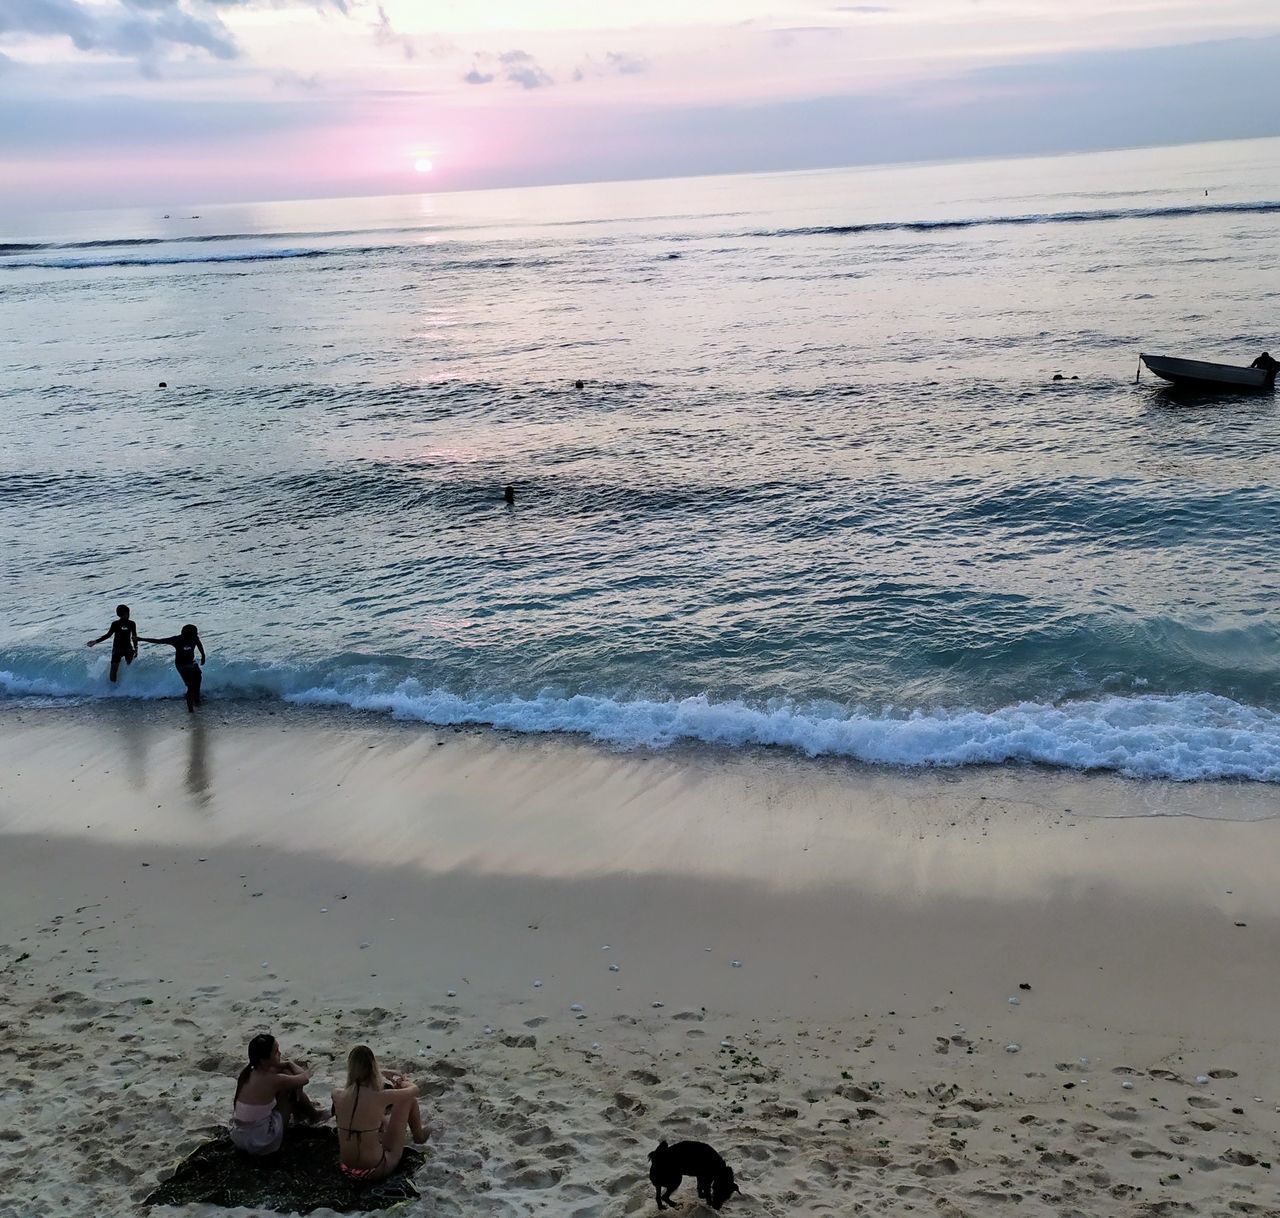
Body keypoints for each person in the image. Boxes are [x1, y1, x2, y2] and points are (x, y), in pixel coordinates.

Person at [332, 1045, 433, 1182]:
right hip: (376, 1169)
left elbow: (357, 1089)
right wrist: (400, 1082)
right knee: (408, 1100)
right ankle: (419, 1137)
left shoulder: (337, 1094)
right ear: (373, 1067)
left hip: (347, 1168)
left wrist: (383, 1073)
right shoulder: (380, 1096)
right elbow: (414, 1090)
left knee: (375, 1122)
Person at [229, 1033, 321, 1156]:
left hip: (240, 1137)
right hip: (260, 1142)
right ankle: (313, 1115)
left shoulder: (248, 1073)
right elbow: (304, 1078)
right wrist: (289, 1063)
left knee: (288, 1078)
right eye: (276, 1052)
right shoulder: (273, 1080)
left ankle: (303, 1114)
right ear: (264, 1059)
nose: (280, 1054)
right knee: (289, 1085)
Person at [139, 623, 206, 712]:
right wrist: (141, 639)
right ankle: (191, 710)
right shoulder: (177, 640)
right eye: (195, 633)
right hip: (181, 665)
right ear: (185, 634)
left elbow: (199, 645)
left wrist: (203, 656)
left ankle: (197, 700)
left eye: (196, 634)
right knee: (191, 685)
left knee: (198, 679)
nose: (197, 635)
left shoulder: (195, 638)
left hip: (191, 662)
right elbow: (159, 641)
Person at [87, 604, 138, 683]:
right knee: (114, 670)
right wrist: (96, 641)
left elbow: (134, 637)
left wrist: (136, 648)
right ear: (120, 615)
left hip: (128, 648)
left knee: (129, 667)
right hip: (117, 649)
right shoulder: (115, 624)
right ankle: (113, 690)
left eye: (128, 613)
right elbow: (108, 635)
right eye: (126, 613)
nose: (128, 615)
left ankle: (126, 686)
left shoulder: (132, 623)